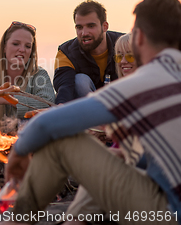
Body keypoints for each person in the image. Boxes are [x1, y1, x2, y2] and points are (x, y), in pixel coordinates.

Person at [2, 0, 181, 225]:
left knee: (62, 143)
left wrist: (18, 152)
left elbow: (45, 125)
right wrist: (126, 154)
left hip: (167, 213)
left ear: (139, 38)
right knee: (110, 162)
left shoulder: (151, 79)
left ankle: (16, 221)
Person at [64, 32, 142, 225]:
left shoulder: (143, 92)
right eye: (119, 56)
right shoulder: (123, 91)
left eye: (130, 56)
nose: (123, 61)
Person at [0, 21, 55, 132]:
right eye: (16, 44)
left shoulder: (39, 75)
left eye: (27, 46)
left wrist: (8, 99)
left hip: (31, 141)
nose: (22, 49)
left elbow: (49, 105)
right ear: (4, 47)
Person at [54, 0, 124, 104]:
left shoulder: (125, 44)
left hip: (123, 104)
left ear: (105, 26)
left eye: (91, 26)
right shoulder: (65, 52)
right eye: (79, 27)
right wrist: (59, 107)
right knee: (80, 81)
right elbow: (65, 87)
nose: (84, 33)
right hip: (87, 109)